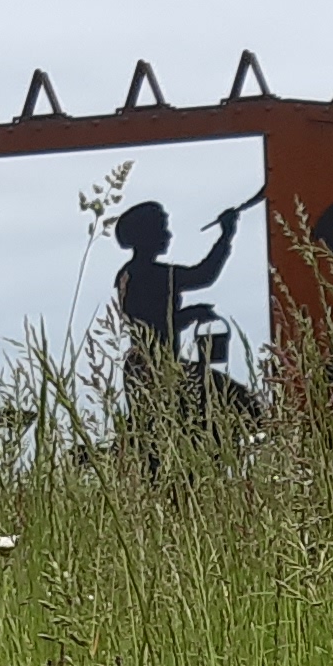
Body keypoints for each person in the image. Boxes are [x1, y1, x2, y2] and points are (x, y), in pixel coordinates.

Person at [111, 198, 258, 475]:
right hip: (159, 369)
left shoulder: (130, 274)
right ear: (146, 236)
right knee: (244, 404)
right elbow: (203, 275)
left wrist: (188, 314)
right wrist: (226, 235)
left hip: (148, 368)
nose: (168, 235)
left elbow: (152, 319)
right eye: (162, 229)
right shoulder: (150, 275)